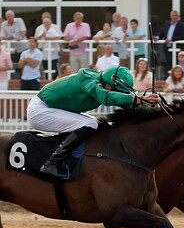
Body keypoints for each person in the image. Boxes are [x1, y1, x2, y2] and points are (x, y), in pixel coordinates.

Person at [27, 65, 159, 178]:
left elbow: (131, 100)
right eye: (118, 91)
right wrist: (139, 99)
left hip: (54, 109)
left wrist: (155, 108)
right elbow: (105, 97)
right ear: (107, 86)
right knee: (91, 124)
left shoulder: (107, 84)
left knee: (98, 124)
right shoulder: (87, 78)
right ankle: (52, 163)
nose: (121, 94)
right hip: (40, 110)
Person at [34, 13, 62, 77]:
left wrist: (48, 38)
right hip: (43, 51)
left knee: (54, 67)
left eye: (47, 22)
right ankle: (46, 80)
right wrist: (42, 36)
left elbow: (58, 37)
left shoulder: (54, 28)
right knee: (45, 67)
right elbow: (36, 38)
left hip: (53, 51)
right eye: (45, 22)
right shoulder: (40, 28)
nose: (46, 24)